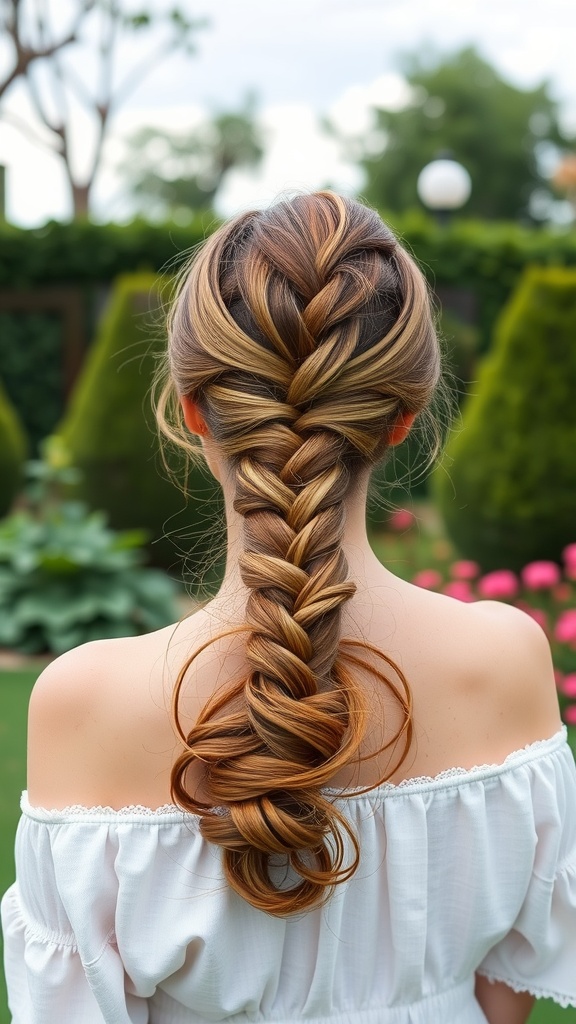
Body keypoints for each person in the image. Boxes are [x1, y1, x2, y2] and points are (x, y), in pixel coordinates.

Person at [2, 191, 575, 1024]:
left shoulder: (84, 702)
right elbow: (503, 993)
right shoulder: (507, 658)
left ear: (192, 410)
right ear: (402, 420)